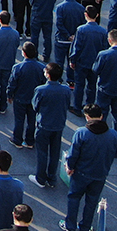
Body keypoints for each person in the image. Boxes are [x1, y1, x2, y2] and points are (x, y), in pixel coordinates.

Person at [61, 103, 117, 231]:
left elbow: (73, 153)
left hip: (81, 173)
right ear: (102, 116)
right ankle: (85, 228)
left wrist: (70, 167)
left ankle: (70, 227)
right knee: (92, 201)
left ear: (87, 117)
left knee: (74, 197)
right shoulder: (113, 134)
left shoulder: (82, 132)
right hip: (100, 174)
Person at [29, 61, 71, 189]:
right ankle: (52, 177)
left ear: (47, 75)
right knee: (55, 151)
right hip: (58, 124)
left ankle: (40, 178)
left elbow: (35, 106)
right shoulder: (65, 90)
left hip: (44, 124)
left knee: (42, 152)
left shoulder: (41, 90)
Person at [69, 5, 108, 114]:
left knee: (79, 85)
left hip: (82, 62)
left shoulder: (81, 29)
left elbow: (77, 47)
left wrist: (73, 60)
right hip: (95, 62)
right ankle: (89, 107)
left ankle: (77, 107)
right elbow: (104, 48)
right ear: (97, 15)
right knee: (92, 86)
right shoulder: (103, 31)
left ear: (85, 15)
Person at [7, 42, 45, 149]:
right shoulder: (41, 68)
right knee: (32, 120)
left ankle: (17, 140)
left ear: (23, 53)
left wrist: (9, 94)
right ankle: (30, 140)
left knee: (19, 119)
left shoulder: (18, 67)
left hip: (20, 97)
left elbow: (12, 83)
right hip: (34, 99)